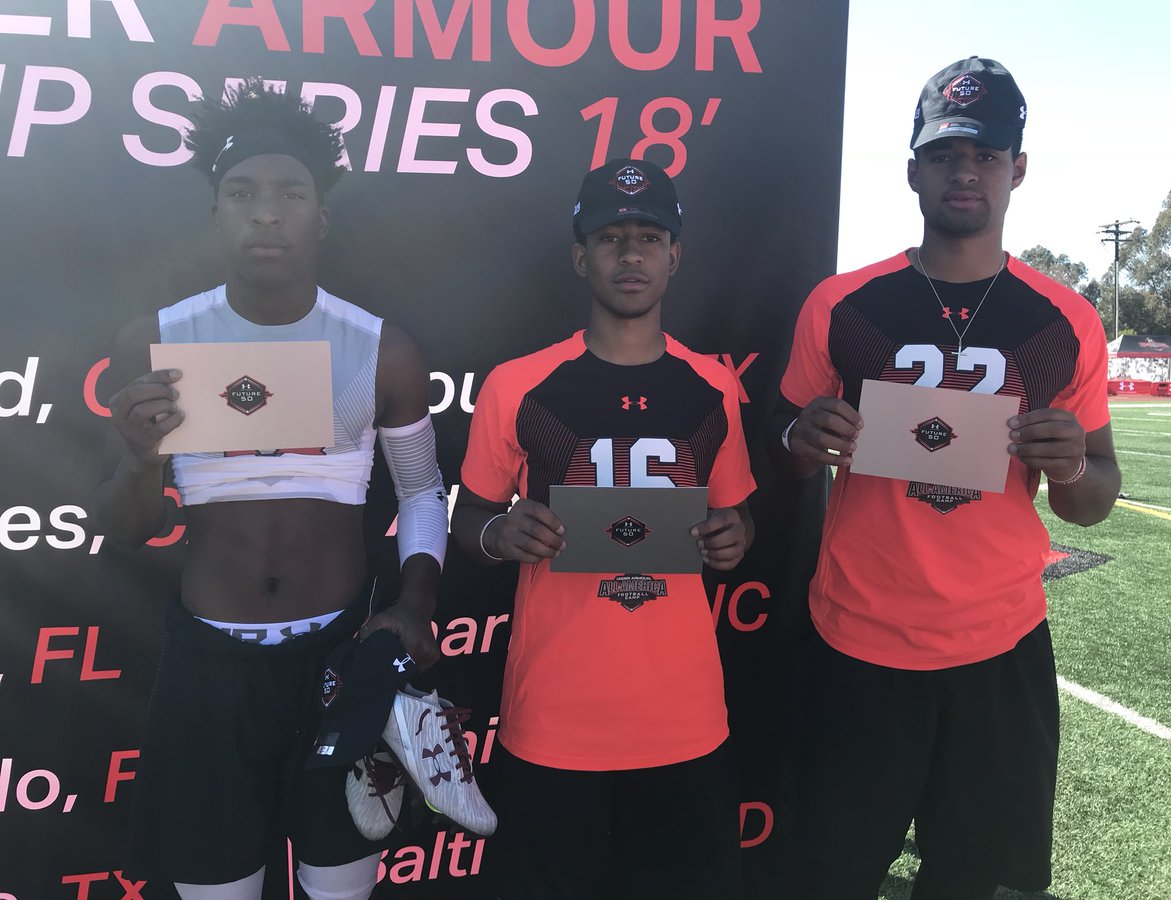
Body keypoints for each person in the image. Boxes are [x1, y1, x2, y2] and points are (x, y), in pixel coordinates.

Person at [772, 57, 1121, 899]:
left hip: (999, 644)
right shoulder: (842, 304)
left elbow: (1093, 499)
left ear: (1017, 169)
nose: (965, 172)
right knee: (828, 874)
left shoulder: (1065, 319)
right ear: (913, 171)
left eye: (986, 155)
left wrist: (1072, 460)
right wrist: (800, 436)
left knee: (976, 879)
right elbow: (780, 450)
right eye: (944, 154)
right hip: (857, 638)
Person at [91, 79, 447, 900]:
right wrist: (141, 461)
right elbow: (120, 524)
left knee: (340, 890)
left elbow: (423, 494)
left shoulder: (382, 350)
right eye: (242, 193)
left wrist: (416, 604)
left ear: (322, 218)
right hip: (209, 669)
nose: (265, 213)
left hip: (341, 660)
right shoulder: (156, 342)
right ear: (215, 214)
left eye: (290, 193)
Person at [451, 158, 756, 899]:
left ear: (675, 256)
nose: (630, 255)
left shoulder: (714, 387)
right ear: (580, 256)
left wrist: (735, 536)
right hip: (555, 716)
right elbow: (468, 520)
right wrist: (500, 536)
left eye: (649, 237)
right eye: (610, 237)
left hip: (682, 715)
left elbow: (736, 513)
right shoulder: (517, 385)